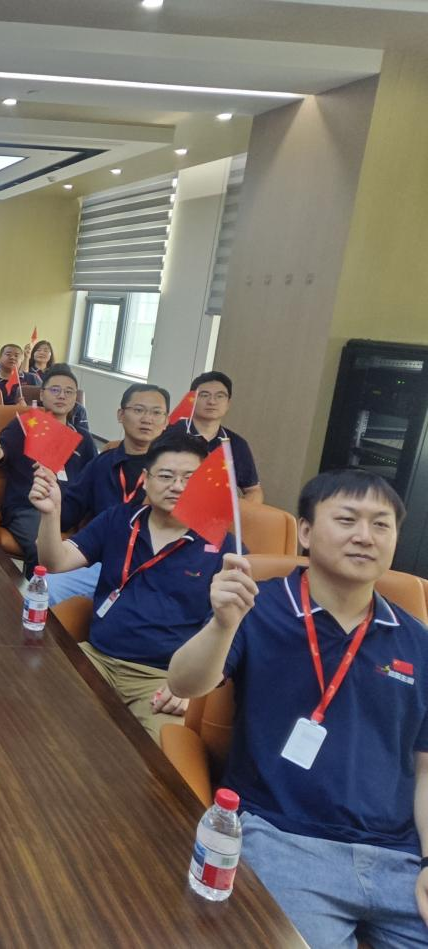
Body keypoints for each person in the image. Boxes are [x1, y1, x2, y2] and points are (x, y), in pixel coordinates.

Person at [168, 469, 428, 948]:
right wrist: (222, 624)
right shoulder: (257, 605)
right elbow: (184, 682)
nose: (365, 536)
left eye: (381, 524)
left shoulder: (418, 641)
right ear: (305, 532)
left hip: (401, 860)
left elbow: (425, 767)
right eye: (347, 519)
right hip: (284, 838)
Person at [33, 428, 236, 741]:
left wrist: (189, 686)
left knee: (156, 760)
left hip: (163, 680)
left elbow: (231, 630)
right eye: (166, 476)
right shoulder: (119, 519)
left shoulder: (224, 546)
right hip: (97, 658)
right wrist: (51, 515)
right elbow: (55, 562)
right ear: (145, 479)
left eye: (189, 478)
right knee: (34, 711)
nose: (177, 486)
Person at [42, 383, 171, 605]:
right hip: (104, 563)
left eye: (156, 412)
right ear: (121, 415)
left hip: (155, 565)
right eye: (138, 410)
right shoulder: (101, 464)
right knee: (44, 588)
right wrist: (50, 496)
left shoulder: (174, 472)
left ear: (166, 420)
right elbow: (69, 512)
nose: (147, 419)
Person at [0, 363, 97, 571]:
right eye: (55, 390)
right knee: (43, 553)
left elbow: (92, 479)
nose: (62, 396)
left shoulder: (83, 437)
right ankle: (36, 591)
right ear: (42, 394)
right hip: (28, 508)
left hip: (68, 511)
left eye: (69, 391)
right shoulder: (25, 425)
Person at [168, 370, 264, 503]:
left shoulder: (236, 444)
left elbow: (253, 490)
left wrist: (235, 511)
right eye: (204, 395)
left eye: (220, 396)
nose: (212, 401)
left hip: (214, 513)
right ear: (192, 400)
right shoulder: (169, 434)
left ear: (228, 403)